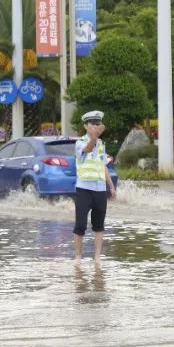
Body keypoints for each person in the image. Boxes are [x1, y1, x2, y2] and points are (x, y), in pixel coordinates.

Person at [73, 110, 117, 267]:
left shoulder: (101, 144)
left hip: (100, 189)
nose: (96, 126)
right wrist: (95, 137)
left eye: (98, 124)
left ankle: (97, 257)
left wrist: (111, 186)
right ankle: (78, 257)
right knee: (80, 225)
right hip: (84, 189)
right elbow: (88, 149)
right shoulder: (80, 142)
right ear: (86, 126)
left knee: (99, 225)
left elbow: (103, 166)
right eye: (93, 124)